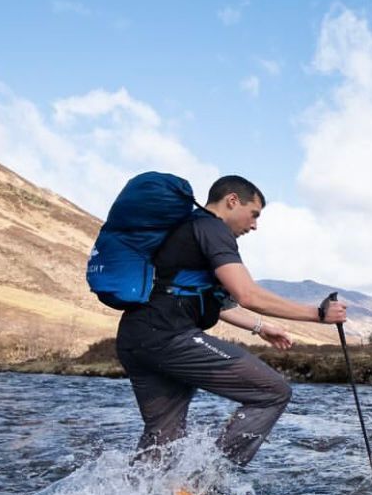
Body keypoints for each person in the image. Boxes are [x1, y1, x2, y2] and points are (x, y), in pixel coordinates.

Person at [115, 175, 347, 478]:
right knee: (272, 392)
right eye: (254, 214)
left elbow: (219, 304)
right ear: (232, 201)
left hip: (135, 339)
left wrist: (262, 327)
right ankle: (206, 480)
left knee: (163, 432)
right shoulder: (213, 228)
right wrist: (318, 314)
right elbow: (247, 294)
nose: (254, 225)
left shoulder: (187, 229)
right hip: (168, 337)